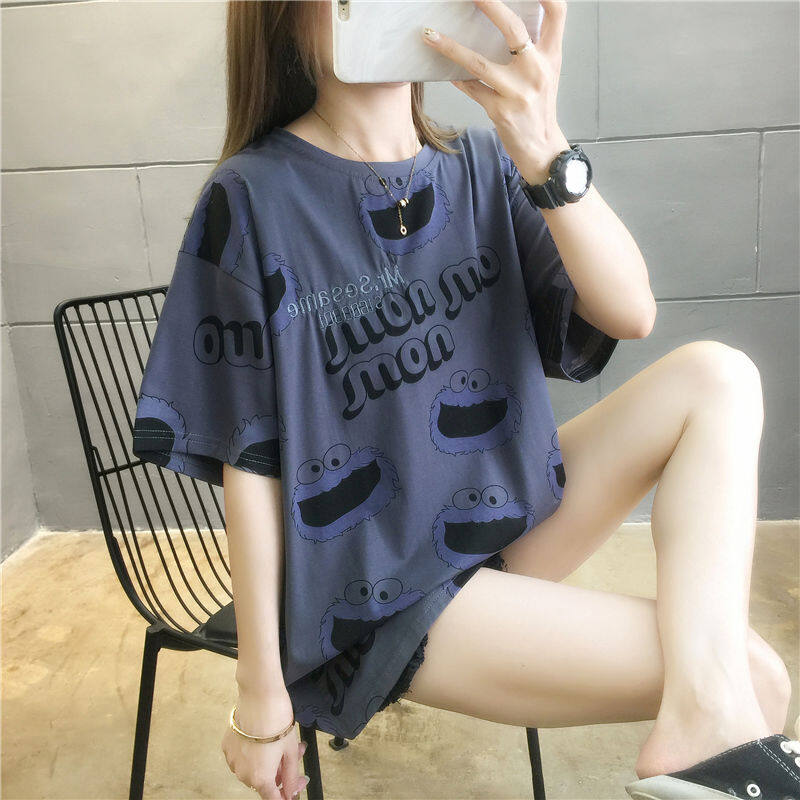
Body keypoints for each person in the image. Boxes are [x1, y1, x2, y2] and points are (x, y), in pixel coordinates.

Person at [131, 1, 798, 799]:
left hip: (503, 520)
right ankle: (707, 725)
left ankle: (704, 725)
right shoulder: (252, 197)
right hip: (377, 594)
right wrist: (260, 690)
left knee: (719, 376)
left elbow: (631, 313)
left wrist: (544, 147)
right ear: (285, 15)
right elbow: (253, 460)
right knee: (753, 679)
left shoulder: (481, 164)